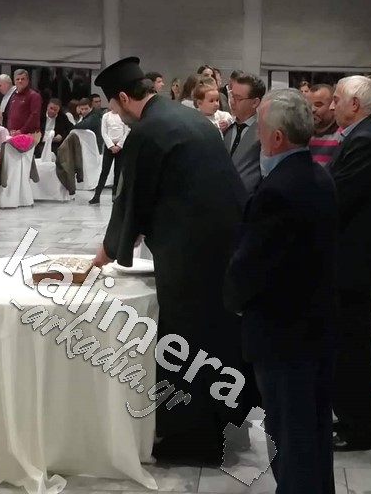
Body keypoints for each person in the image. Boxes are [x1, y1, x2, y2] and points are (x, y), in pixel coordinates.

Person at [92, 57, 248, 467]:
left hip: (192, 253)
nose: (116, 115)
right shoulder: (188, 117)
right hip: (223, 245)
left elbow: (129, 201)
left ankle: (193, 442)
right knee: (215, 336)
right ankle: (223, 422)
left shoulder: (148, 131)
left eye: (114, 107)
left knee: (184, 343)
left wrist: (103, 255)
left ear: (123, 97)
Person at [225, 89, 337, 494]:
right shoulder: (319, 176)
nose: (256, 137)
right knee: (312, 432)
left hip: (284, 332)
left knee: (290, 436)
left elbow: (253, 263)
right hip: (315, 327)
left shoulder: (278, 190)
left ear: (276, 138)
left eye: (260, 129)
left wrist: (235, 300)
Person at [327, 77, 371, 450]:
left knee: (352, 350)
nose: (331, 106)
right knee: (345, 346)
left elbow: (338, 192)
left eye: (336, 99)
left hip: (353, 261)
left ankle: (359, 429)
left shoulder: (366, 140)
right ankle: (351, 418)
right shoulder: (359, 135)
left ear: (354, 103)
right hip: (349, 259)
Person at [223, 72, 266, 196]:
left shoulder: (263, 131)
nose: (232, 102)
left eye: (238, 98)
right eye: (231, 95)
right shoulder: (227, 128)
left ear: (255, 102)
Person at [89, 108, 129, 204]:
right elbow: (104, 132)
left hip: (120, 147)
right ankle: (97, 195)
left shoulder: (124, 115)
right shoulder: (106, 116)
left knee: (118, 172)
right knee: (104, 171)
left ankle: (115, 196)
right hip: (109, 147)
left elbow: (126, 131)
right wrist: (110, 145)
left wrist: (119, 145)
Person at [307, 84, 341, 166]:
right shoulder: (303, 136)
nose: (312, 109)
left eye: (318, 105)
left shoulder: (343, 136)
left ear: (332, 105)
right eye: (308, 105)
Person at [5, 69, 42, 140]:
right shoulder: (14, 95)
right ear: (14, 81)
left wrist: (21, 131)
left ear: (27, 81)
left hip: (29, 134)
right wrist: (10, 130)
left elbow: (34, 116)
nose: (20, 81)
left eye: (22, 79)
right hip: (13, 135)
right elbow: (10, 114)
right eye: (17, 79)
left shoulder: (34, 96)